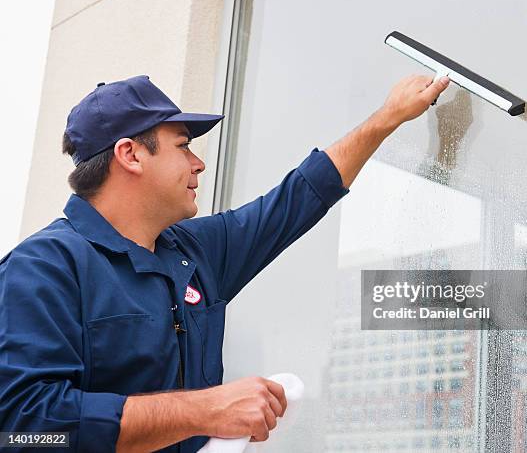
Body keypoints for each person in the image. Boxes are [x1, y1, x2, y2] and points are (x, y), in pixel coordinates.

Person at [0, 73, 450, 452]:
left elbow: (297, 198)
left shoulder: (193, 252)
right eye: (182, 146)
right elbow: (24, 426)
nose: (198, 163)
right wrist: (207, 410)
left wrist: (387, 118)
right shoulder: (43, 268)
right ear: (130, 155)